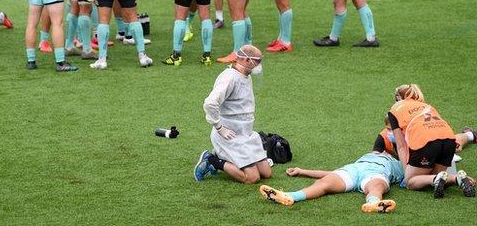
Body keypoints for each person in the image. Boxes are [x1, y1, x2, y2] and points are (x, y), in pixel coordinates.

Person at [194, 45, 272, 183]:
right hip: (230, 135)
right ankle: (212, 159)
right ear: (247, 60)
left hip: (246, 133)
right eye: (257, 61)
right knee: (252, 178)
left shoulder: (244, 74)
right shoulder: (229, 78)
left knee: (266, 173)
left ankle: (228, 158)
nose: (259, 66)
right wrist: (219, 127)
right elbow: (210, 103)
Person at [387, 84, 474, 198]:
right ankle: (457, 178)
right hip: (449, 141)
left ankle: (439, 178)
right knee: (436, 176)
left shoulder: (394, 110)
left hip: (427, 143)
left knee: (412, 182)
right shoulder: (426, 105)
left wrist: (406, 173)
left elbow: (401, 146)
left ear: (398, 97)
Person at [259, 151, 403, 213]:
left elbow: (410, 178)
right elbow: (332, 173)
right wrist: (302, 171)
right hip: (352, 170)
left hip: (376, 173)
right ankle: (290, 196)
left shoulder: (399, 163)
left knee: (376, 186)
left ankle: (373, 204)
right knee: (325, 182)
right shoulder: (369, 155)